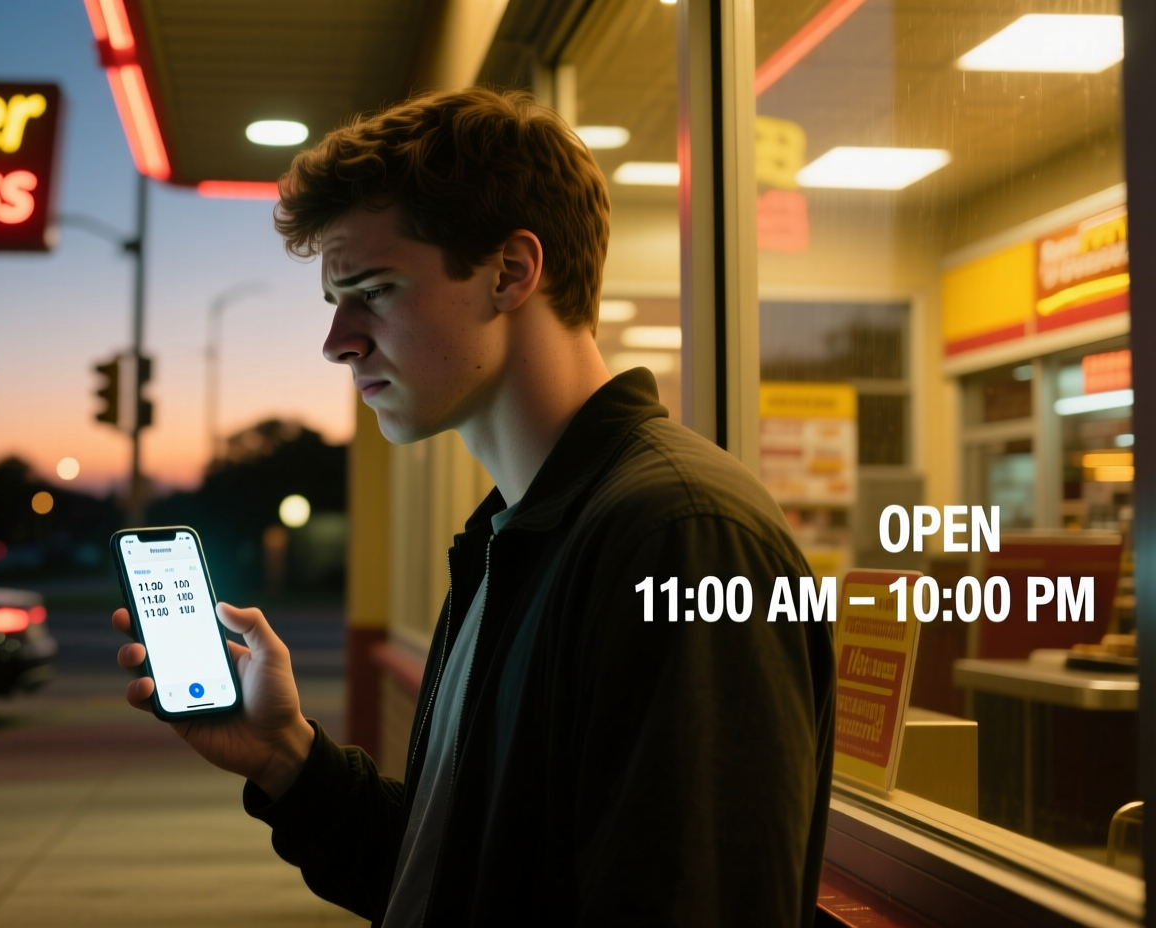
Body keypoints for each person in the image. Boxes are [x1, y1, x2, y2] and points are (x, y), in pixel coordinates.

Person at [113, 87, 835, 926]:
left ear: (511, 272)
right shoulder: (518, 534)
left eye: (375, 291)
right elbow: (457, 880)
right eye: (336, 301)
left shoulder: (680, 537)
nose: (338, 340)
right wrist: (286, 758)